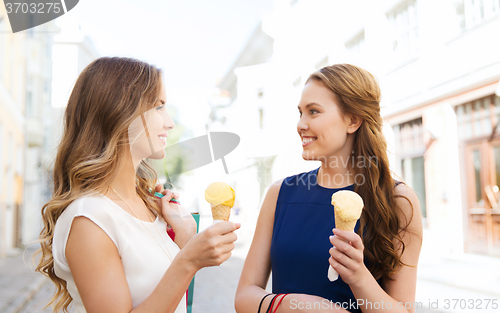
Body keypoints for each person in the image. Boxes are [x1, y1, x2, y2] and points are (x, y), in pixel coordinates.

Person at [35, 57, 240, 313]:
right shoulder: (88, 218)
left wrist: (185, 237)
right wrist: (188, 260)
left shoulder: (149, 206)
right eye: (158, 106)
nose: (170, 123)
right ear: (119, 112)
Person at [235, 64, 423, 313]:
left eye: (313, 112)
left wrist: (359, 277)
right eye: (300, 113)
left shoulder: (398, 201)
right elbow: (244, 296)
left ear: (353, 121)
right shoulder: (280, 194)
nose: (301, 124)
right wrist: (296, 305)